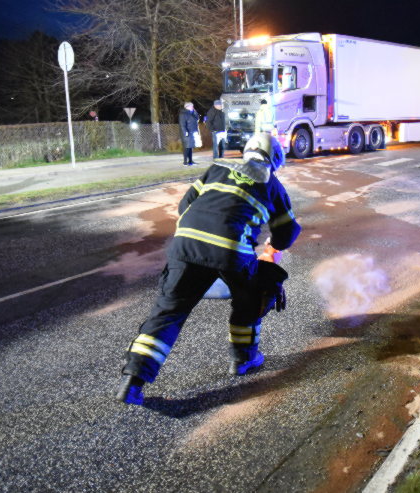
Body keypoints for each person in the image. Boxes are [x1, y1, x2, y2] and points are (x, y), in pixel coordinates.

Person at [116, 134, 301, 405]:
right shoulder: (271, 184)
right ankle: (243, 358)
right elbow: (286, 233)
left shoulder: (217, 168)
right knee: (251, 296)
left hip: (186, 247)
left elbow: (184, 205)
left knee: (169, 312)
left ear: (246, 151)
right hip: (232, 252)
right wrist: (270, 242)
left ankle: (132, 381)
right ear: (274, 161)